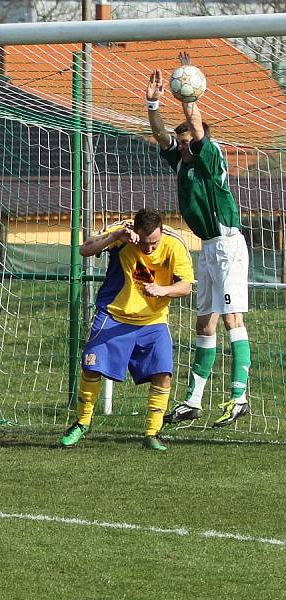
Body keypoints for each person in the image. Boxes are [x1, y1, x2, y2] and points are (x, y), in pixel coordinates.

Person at [147, 53, 252, 428]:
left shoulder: (208, 156)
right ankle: (193, 401)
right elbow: (160, 135)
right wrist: (153, 103)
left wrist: (188, 90)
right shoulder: (184, 162)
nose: (179, 144)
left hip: (227, 245)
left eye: (184, 139)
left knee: (230, 318)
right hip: (207, 246)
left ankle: (239, 397)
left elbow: (194, 120)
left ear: (197, 139)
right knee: (204, 323)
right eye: (179, 141)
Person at [60, 209, 194, 452]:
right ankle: (82, 422)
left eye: (154, 242)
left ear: (161, 232)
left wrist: (162, 290)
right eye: (144, 242)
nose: (149, 248)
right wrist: (115, 237)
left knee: (163, 372)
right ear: (135, 231)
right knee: (91, 366)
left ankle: (152, 433)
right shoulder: (122, 233)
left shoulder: (174, 243)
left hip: (153, 320)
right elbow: (85, 249)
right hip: (113, 315)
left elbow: (185, 286)